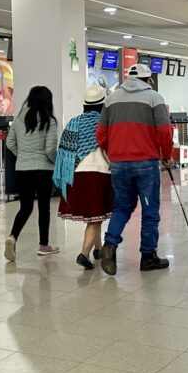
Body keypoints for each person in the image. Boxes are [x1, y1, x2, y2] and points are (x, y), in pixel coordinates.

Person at [96, 63, 174, 275]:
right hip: (146, 165)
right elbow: (165, 131)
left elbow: (101, 134)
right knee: (149, 211)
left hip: (119, 164)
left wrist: (113, 153)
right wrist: (167, 156)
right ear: (148, 80)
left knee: (121, 207)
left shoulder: (111, 99)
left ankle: (110, 245)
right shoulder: (154, 98)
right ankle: (148, 256)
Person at [53, 86, 113, 270]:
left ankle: (98, 249)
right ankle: (84, 254)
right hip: (100, 174)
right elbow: (110, 150)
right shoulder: (105, 124)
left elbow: (64, 152)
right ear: (104, 104)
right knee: (95, 217)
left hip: (76, 175)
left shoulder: (73, 123)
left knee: (94, 214)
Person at [4, 86, 60, 260]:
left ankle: (12, 237)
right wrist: (54, 161)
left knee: (25, 207)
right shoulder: (49, 120)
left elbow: (9, 142)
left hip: (23, 169)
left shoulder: (20, 117)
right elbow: (50, 148)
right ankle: (44, 245)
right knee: (44, 208)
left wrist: (22, 155)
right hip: (43, 170)